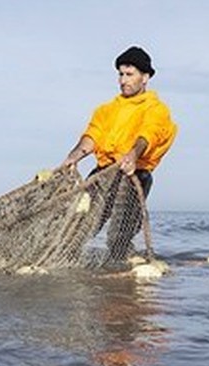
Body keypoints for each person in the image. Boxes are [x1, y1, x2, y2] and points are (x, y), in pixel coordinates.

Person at [62, 46, 177, 261]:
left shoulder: (156, 108)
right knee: (79, 228)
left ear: (145, 77)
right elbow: (93, 135)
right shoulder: (106, 109)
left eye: (130, 74)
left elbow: (149, 133)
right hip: (103, 174)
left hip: (135, 175)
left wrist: (133, 155)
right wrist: (74, 155)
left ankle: (123, 283)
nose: (123, 80)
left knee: (118, 237)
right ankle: (70, 268)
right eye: (121, 74)